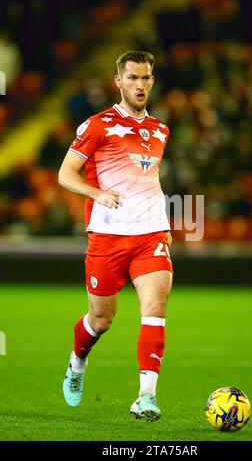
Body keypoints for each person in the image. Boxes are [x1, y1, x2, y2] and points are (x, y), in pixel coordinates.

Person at [58, 50, 173, 422]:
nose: (140, 85)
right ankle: (77, 360)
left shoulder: (160, 129)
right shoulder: (97, 125)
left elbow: (146, 177)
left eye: (146, 78)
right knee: (101, 320)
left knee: (155, 310)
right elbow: (66, 174)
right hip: (108, 238)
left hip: (150, 235)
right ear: (118, 82)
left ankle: (146, 397)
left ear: (152, 81)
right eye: (133, 78)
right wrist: (97, 194)